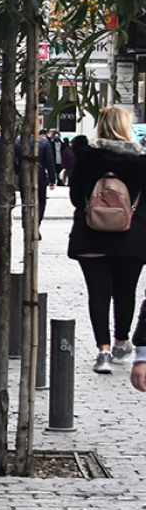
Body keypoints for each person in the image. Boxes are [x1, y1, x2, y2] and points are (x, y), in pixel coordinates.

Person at [66, 106, 146, 375]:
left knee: (97, 294)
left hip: (92, 235)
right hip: (131, 238)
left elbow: (76, 197)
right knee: (125, 292)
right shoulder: (141, 159)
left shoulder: (87, 157)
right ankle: (121, 342)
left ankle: (103, 352)